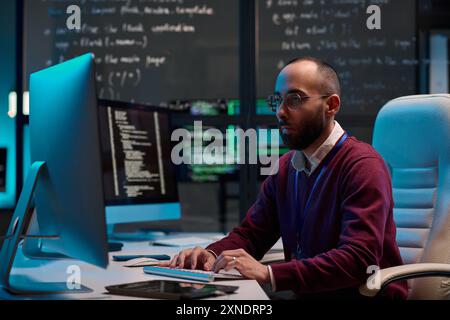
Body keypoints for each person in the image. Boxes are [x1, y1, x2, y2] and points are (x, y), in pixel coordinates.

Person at [160, 57, 408, 299]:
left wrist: (269, 273)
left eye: (295, 100)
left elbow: (359, 260)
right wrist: (211, 255)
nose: (280, 112)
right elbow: (252, 235)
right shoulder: (286, 167)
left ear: (331, 105)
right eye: (277, 100)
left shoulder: (362, 166)